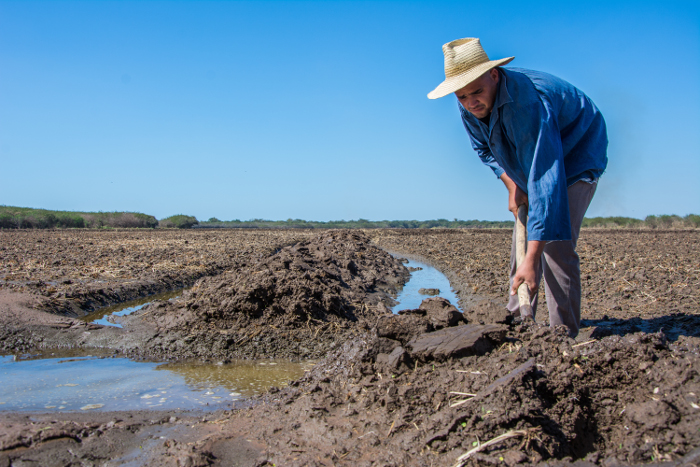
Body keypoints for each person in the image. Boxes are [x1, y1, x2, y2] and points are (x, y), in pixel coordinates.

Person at [428, 38, 608, 337]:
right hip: (532, 159)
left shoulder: (526, 104)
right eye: (461, 96)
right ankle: (517, 325)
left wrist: (533, 258)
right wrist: (512, 183)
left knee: (554, 245)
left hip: (576, 150)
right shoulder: (470, 105)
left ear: (494, 75)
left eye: (476, 91)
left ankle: (562, 335)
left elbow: (546, 180)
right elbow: (485, 150)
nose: (471, 101)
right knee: (522, 249)